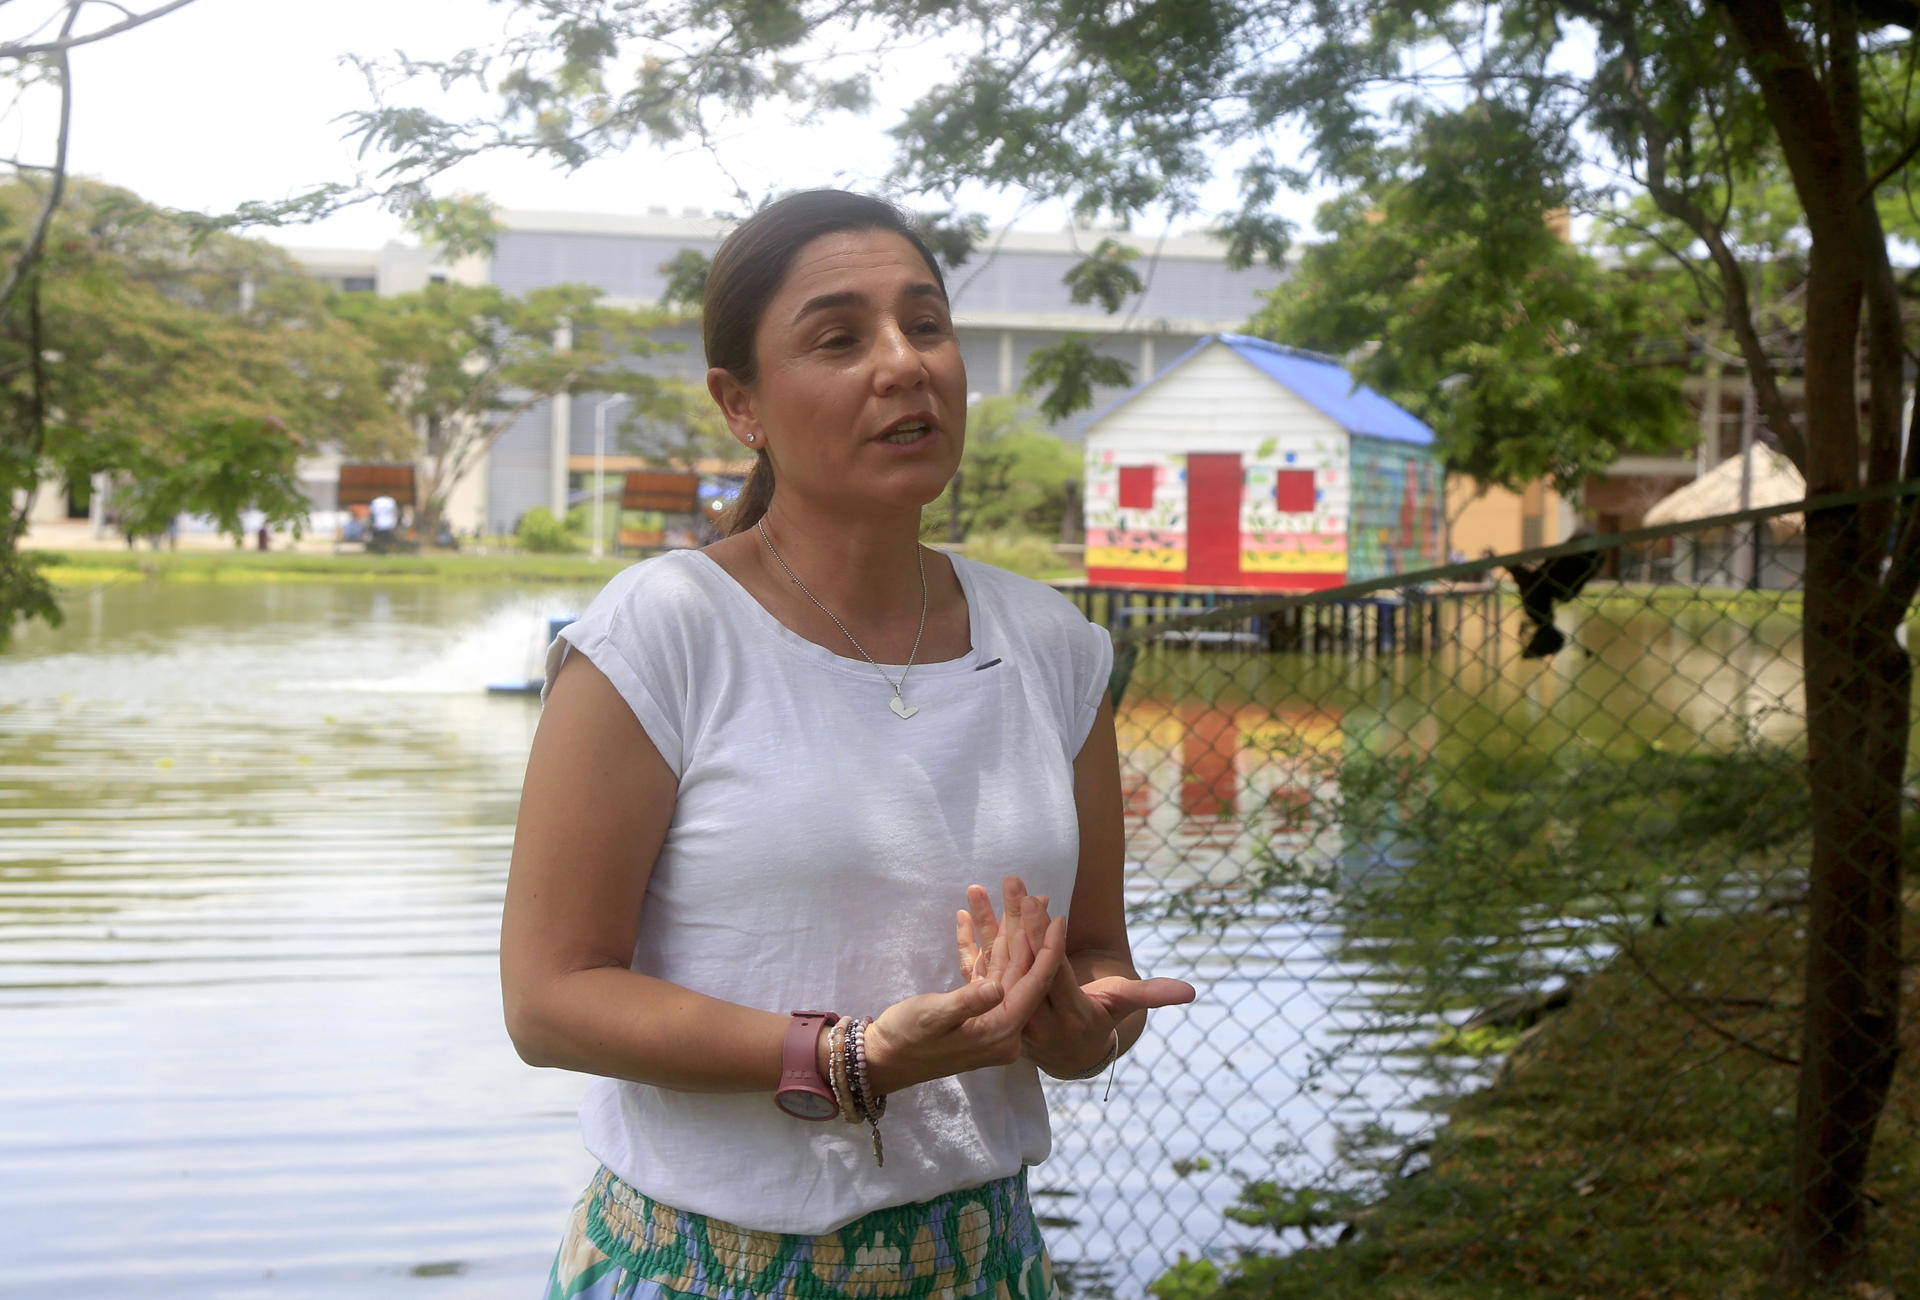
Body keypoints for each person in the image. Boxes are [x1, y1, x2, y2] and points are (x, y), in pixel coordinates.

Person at [502, 189, 1195, 1300]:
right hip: (702, 1267)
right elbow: (549, 998)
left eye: (926, 325)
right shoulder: (662, 632)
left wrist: (1078, 1029)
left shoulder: (1055, 647)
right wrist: (846, 1057)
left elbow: (1098, 954)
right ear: (742, 405)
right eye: (839, 338)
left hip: (983, 1263)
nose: (904, 363)